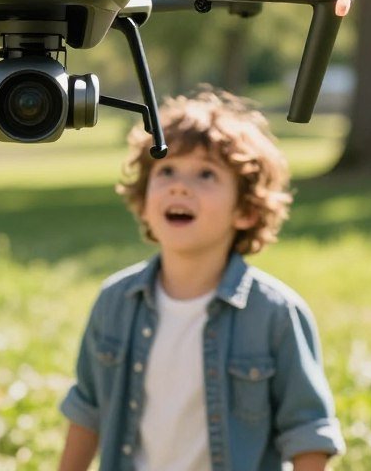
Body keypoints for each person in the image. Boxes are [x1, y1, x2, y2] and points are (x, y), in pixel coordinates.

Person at [58, 89, 345, 471]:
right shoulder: (115, 301)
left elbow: (307, 433)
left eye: (206, 174)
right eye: (166, 171)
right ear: (144, 200)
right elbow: (87, 411)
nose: (179, 186)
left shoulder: (274, 314)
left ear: (244, 210)